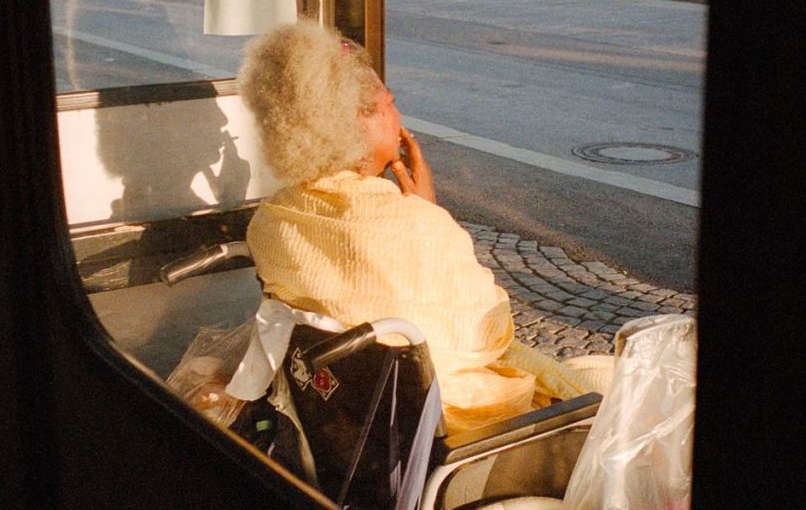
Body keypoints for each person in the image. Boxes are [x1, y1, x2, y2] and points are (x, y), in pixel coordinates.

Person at [233, 22, 602, 435]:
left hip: (345, 418)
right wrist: (429, 211)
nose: (399, 117)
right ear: (357, 121)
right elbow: (485, 333)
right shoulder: (415, 226)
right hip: (446, 426)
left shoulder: (271, 219)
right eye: (388, 104)